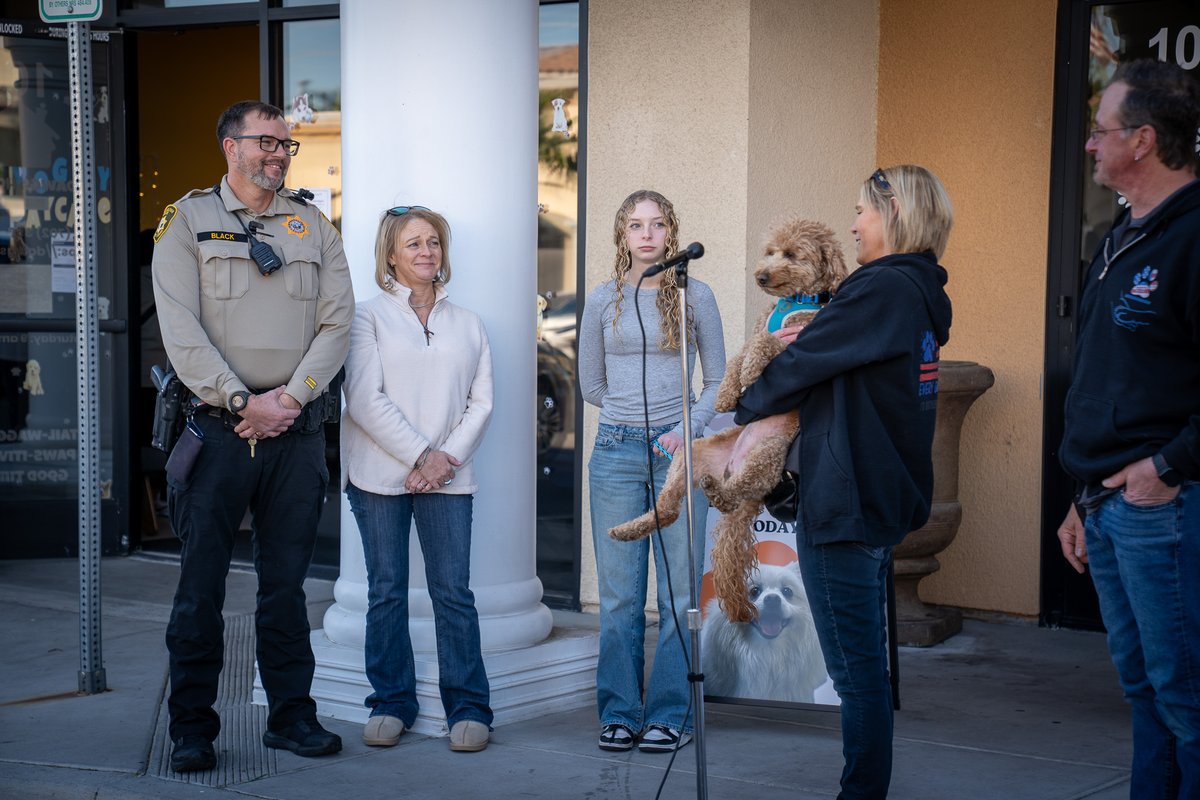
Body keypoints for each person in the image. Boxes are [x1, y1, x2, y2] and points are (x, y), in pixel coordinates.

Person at [731, 165, 954, 798]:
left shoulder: (881, 290)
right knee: (866, 669)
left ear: (895, 216)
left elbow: (806, 359)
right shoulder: (914, 293)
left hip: (848, 501)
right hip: (876, 495)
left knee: (857, 676)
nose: (854, 222)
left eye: (862, 210)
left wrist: (748, 402)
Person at [151, 100, 354, 772]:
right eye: (267, 142)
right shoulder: (188, 223)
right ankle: (191, 729)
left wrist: (290, 399)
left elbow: (337, 325)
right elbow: (181, 330)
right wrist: (243, 400)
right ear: (230, 146)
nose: (278, 154)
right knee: (200, 588)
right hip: (217, 431)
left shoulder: (313, 226)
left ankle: (291, 719)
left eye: (286, 146)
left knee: (286, 587)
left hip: (293, 435)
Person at [1056, 59, 1200, 798]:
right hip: (1105, 504)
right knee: (1145, 691)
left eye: (1100, 130)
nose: (1088, 145)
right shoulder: (1118, 233)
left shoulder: (1193, 237)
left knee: (1186, 697)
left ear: (1142, 140)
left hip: (1162, 507)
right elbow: (1104, 377)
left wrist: (1167, 467)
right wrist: (1080, 497)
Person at [341, 206, 494, 753]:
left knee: (453, 592)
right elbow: (362, 398)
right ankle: (391, 702)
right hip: (380, 477)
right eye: (413, 244)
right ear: (390, 255)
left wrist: (442, 460)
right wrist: (420, 454)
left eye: (433, 242)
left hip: (449, 477)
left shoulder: (469, 323)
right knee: (386, 592)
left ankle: (470, 707)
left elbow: (482, 404)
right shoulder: (365, 318)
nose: (426, 251)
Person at [578, 189, 726, 753]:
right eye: (635, 225)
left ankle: (670, 714)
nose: (647, 234)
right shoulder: (602, 299)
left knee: (678, 593)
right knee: (618, 598)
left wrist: (686, 427)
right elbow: (592, 384)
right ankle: (619, 711)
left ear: (672, 232)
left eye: (657, 224)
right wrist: (626, 418)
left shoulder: (697, 295)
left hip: (678, 456)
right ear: (621, 235)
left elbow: (716, 380)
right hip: (615, 453)